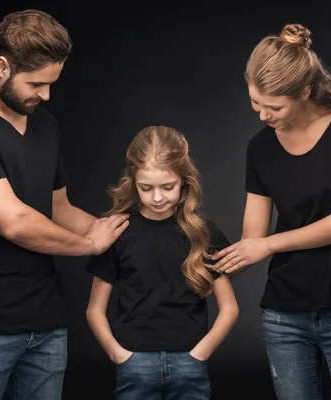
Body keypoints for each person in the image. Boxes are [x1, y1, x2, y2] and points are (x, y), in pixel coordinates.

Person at [0, 9, 129, 400]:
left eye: (52, 83)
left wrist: (128, 234)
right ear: (1, 66)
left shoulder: (42, 121)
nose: (46, 95)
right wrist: (90, 245)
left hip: (47, 324)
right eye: (36, 83)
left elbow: (59, 209)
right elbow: (13, 221)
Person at [212, 23, 331, 399]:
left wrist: (269, 245)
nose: (262, 115)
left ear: (305, 91)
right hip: (283, 316)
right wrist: (204, 261)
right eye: (255, 103)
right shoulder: (259, 148)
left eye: (274, 106)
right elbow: (253, 238)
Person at [85, 125, 239, 399]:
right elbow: (95, 309)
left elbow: (229, 309)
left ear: (184, 181)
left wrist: (199, 355)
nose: (157, 197)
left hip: (190, 362)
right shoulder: (117, 233)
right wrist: (118, 354)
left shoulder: (203, 233)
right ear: (133, 183)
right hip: (134, 363)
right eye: (146, 188)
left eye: (168, 187)